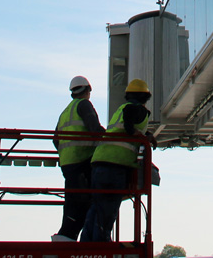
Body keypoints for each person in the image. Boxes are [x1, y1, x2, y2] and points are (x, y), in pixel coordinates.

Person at [80, 79, 152, 242]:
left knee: (97, 205)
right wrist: (135, 133)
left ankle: (86, 244)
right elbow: (129, 125)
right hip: (115, 164)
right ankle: (102, 245)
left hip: (99, 160)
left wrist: (144, 135)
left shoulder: (120, 109)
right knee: (109, 206)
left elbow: (126, 127)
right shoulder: (137, 109)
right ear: (145, 97)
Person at [52, 75, 104, 242]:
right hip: (82, 161)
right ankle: (67, 237)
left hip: (67, 164)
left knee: (73, 201)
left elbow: (55, 139)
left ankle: (65, 236)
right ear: (88, 90)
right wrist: (112, 140)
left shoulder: (65, 112)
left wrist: (65, 153)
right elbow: (94, 129)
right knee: (84, 203)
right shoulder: (84, 105)